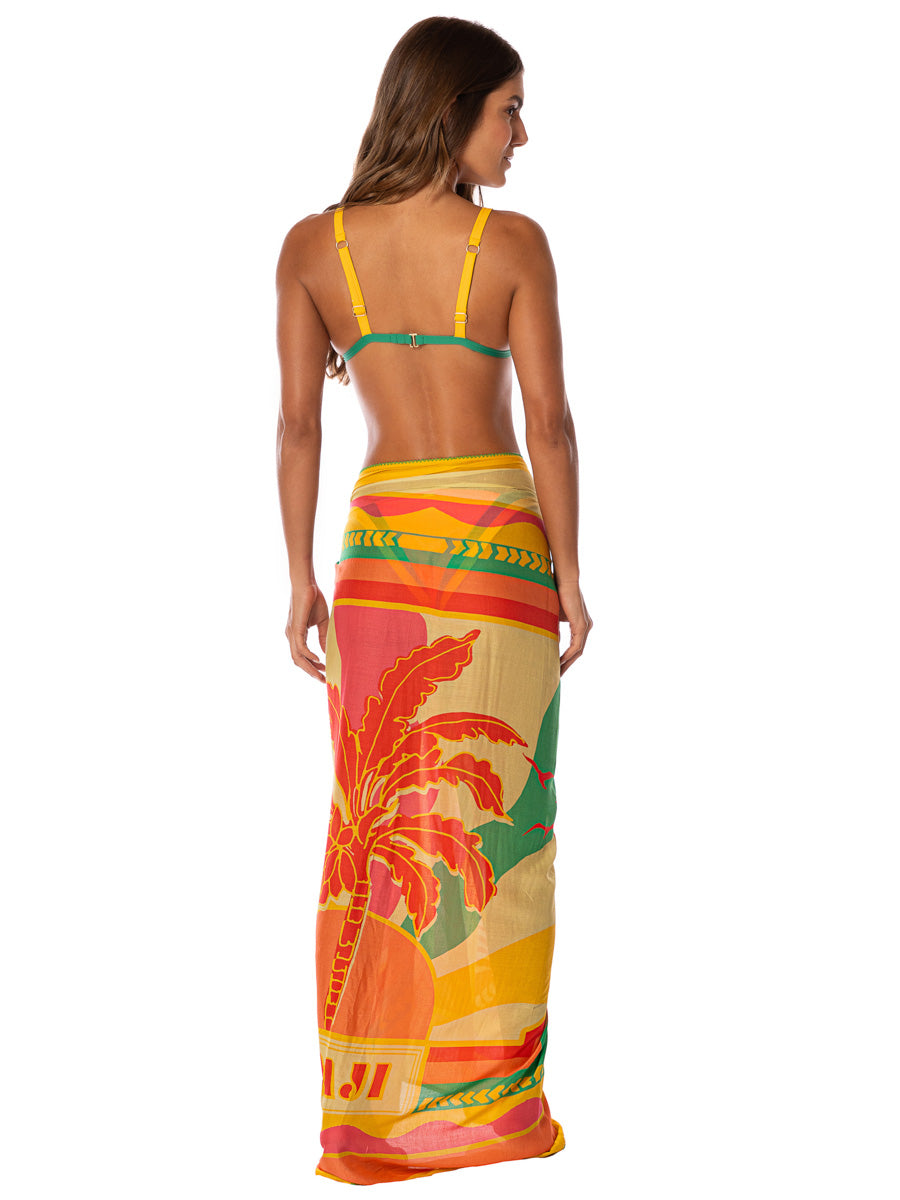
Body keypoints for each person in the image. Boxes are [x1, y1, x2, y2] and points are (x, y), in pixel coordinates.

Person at [275, 15, 592, 1185]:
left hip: (379, 555)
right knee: (499, 829)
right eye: (510, 109)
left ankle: (372, 1117)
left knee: (374, 828)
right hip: (497, 554)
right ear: (451, 109)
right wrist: (570, 571)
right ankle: (488, 1111)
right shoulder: (511, 246)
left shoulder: (313, 248)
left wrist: (300, 579)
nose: (523, 136)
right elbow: (550, 424)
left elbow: (298, 426)